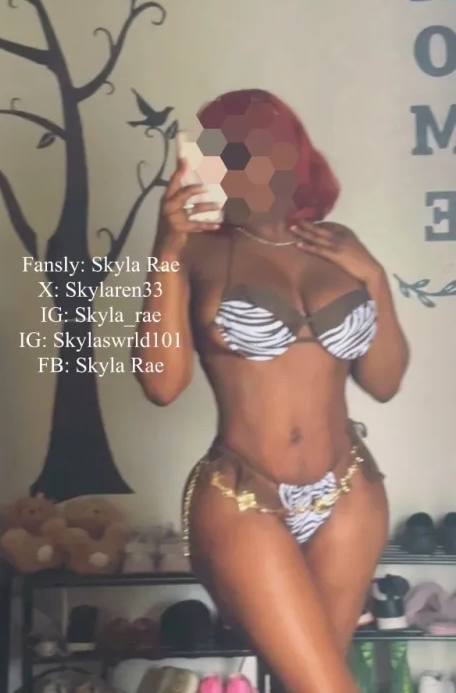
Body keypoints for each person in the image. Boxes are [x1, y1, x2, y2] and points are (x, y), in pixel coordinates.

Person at [133, 89, 409, 693]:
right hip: (241, 496)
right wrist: (165, 248)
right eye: (231, 152)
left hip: (350, 492)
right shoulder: (196, 250)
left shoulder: (336, 245)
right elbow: (160, 384)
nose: (253, 165)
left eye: (268, 148)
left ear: (295, 155)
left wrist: (374, 279)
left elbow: (384, 382)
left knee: (304, 682)